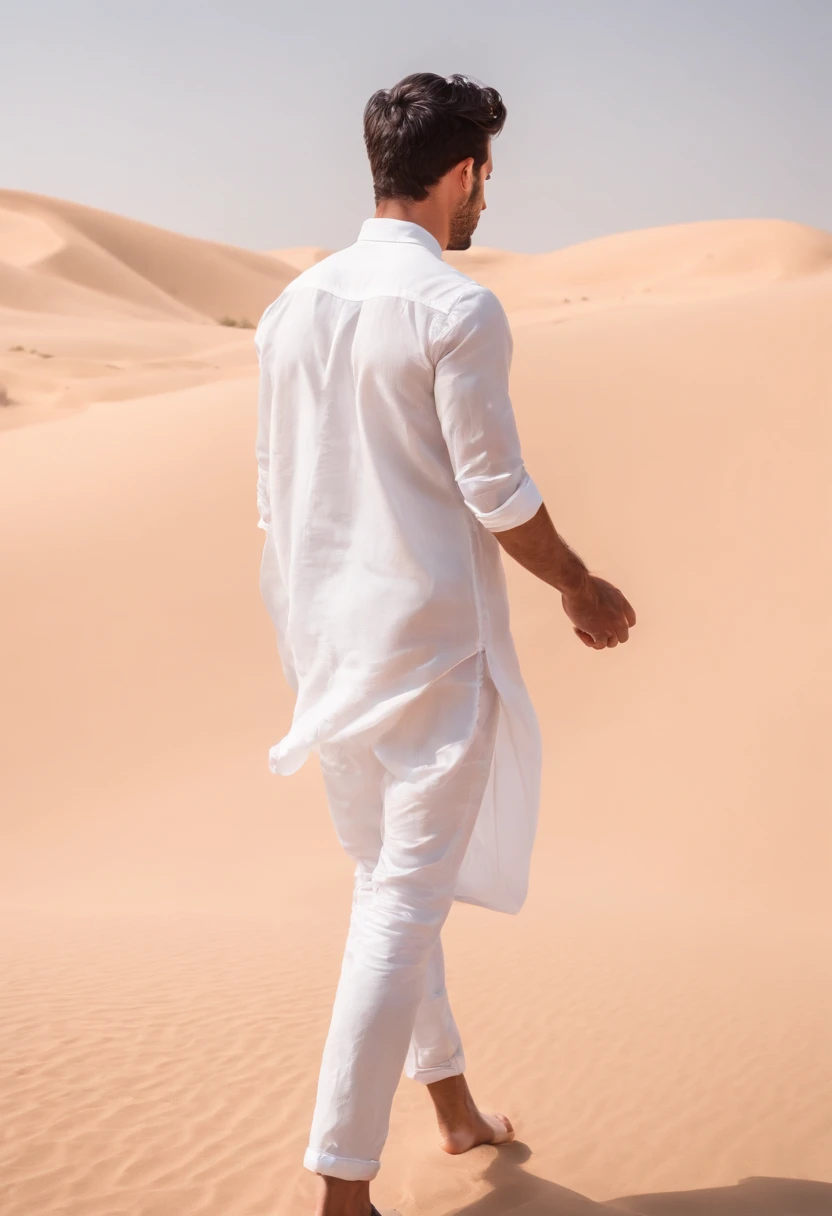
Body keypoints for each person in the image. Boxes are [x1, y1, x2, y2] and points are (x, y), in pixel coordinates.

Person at [254, 72, 636, 1216]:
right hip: (425, 657)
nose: (484, 206)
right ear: (462, 172)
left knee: (388, 887)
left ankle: (453, 1106)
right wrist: (581, 583)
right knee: (398, 906)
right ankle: (341, 1188)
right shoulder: (454, 308)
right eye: (486, 181)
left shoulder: (291, 308)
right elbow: (495, 488)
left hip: (326, 655)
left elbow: (272, 497)